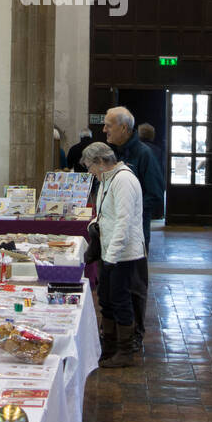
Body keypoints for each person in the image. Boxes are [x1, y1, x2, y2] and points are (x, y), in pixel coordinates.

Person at [104, 106, 164, 351]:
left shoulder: (143, 155)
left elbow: (155, 195)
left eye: (109, 124)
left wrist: (128, 213)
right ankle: (113, 335)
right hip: (110, 233)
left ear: (124, 128)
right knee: (112, 286)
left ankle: (134, 336)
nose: (104, 128)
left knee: (134, 285)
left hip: (134, 235)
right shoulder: (110, 154)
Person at [82, 142, 145, 369]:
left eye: (90, 166)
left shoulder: (124, 180)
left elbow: (124, 222)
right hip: (109, 252)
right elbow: (103, 215)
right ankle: (108, 347)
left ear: (101, 161)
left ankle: (125, 351)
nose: (90, 172)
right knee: (106, 300)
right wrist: (93, 225)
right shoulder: (107, 180)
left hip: (123, 255)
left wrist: (112, 256)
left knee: (120, 300)